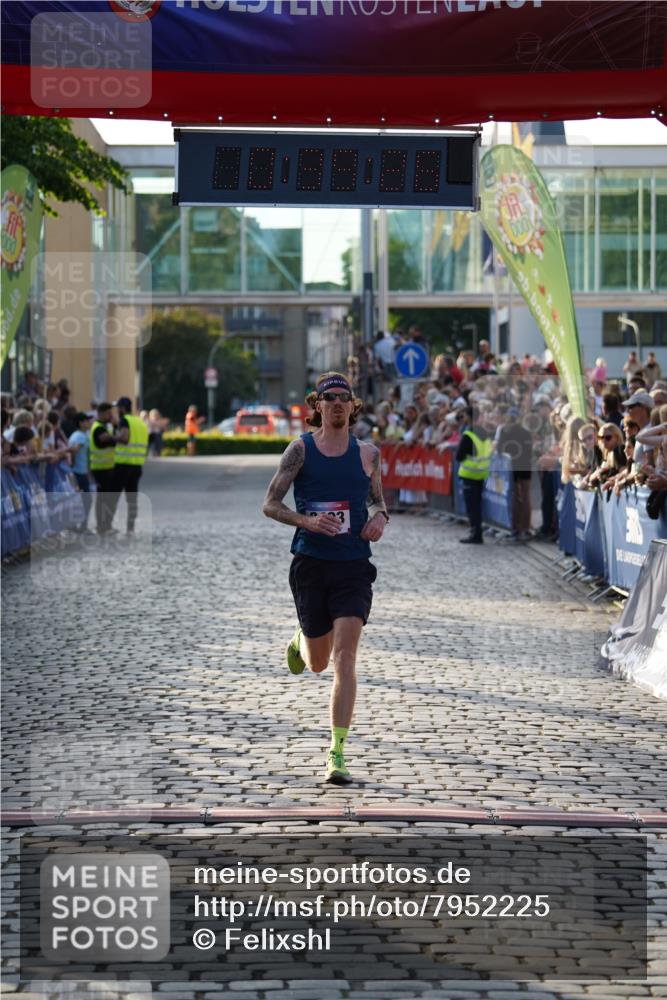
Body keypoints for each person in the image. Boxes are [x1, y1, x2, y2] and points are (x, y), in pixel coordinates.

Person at [262, 371, 388, 786]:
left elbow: (379, 503)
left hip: (353, 564)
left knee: (345, 657)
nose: (336, 403)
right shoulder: (299, 451)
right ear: (316, 405)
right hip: (311, 563)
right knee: (317, 663)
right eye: (328, 397)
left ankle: (337, 751)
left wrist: (379, 519)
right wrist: (306, 521)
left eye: (343, 398)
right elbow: (270, 504)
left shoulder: (368, 454)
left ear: (353, 406)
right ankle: (302, 637)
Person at [112, 396, 149, 535]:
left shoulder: (125, 421)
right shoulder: (139, 421)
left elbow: (124, 438)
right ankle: (130, 528)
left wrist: (111, 438)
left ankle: (107, 526)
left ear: (122, 408)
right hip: (137, 466)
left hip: (123, 464)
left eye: (117, 408)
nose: (116, 411)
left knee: (113, 496)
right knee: (132, 499)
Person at [456, 407, 492, 544]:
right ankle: (477, 532)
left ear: (469, 417)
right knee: (478, 507)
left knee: (472, 508)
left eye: (464, 415)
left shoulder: (468, 435)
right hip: (482, 474)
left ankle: (476, 534)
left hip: (470, 475)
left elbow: (459, 456)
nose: (462, 418)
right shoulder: (485, 433)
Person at [496, 407, 533, 541]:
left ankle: (521, 527)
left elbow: (500, 449)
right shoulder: (509, 431)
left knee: (520, 497)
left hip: (518, 467)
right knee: (520, 497)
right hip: (518, 467)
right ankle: (521, 527)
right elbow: (500, 449)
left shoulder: (509, 431)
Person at [89, 402, 118, 536]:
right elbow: (108, 440)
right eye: (108, 413)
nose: (111, 415)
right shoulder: (98, 428)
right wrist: (117, 438)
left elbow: (112, 439)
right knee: (103, 498)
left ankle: (106, 525)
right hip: (100, 469)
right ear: (101, 413)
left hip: (107, 468)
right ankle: (102, 526)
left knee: (107, 498)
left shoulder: (106, 427)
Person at [67, 412, 93, 533]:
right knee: (86, 500)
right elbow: (75, 450)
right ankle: (82, 526)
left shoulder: (77, 435)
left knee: (79, 500)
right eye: (87, 421)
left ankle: (76, 525)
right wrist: (71, 462)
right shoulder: (81, 437)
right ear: (81, 423)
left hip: (79, 472)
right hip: (78, 473)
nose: (89, 423)